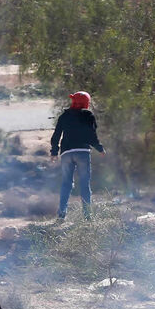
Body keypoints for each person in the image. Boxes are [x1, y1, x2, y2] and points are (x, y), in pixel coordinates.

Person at [49, 91, 105, 221]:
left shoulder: (64, 116)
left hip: (66, 153)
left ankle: (62, 213)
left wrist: (54, 152)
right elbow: (92, 135)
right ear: (86, 102)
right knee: (85, 183)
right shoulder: (88, 115)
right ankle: (87, 216)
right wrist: (99, 148)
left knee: (66, 183)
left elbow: (56, 135)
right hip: (82, 152)